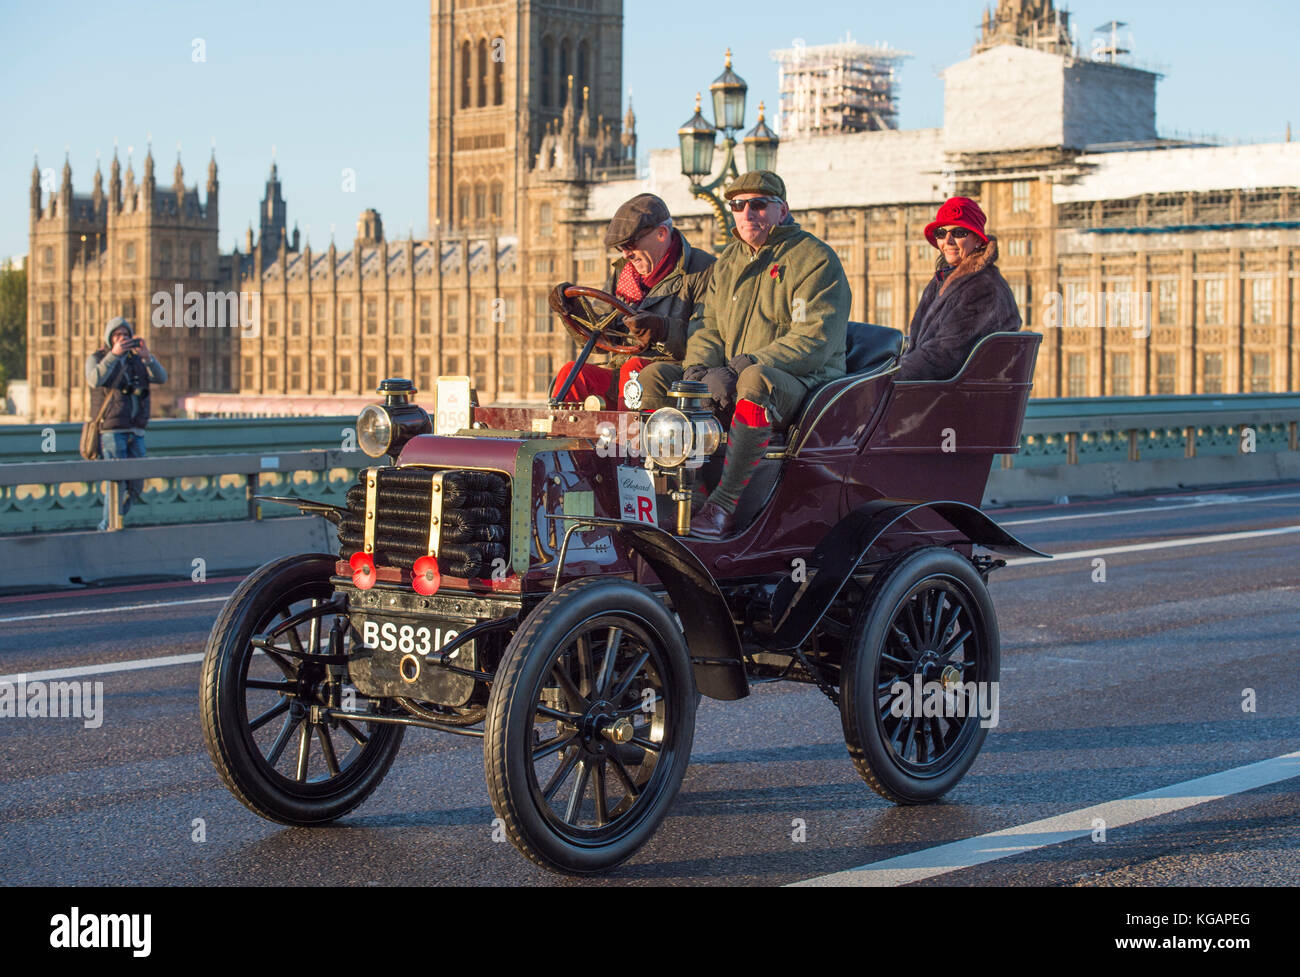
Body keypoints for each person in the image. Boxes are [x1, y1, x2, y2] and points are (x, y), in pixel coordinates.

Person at [637, 170, 851, 538]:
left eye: (758, 205)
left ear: (782, 211)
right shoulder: (729, 262)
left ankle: (724, 506)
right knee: (656, 376)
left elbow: (814, 338)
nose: (747, 213)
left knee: (756, 380)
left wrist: (743, 365)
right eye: (737, 205)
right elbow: (708, 325)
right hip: (734, 374)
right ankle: (679, 496)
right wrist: (698, 370)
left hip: (803, 382)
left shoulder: (815, 259)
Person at [549, 193, 713, 409]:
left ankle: (628, 439)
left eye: (630, 245)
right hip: (624, 371)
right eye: (620, 248)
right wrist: (572, 311)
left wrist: (663, 330)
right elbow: (600, 340)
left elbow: (709, 340)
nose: (625, 254)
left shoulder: (703, 270)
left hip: (674, 376)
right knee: (573, 373)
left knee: (634, 370)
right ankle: (562, 439)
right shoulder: (625, 274)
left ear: (661, 234)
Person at [898, 196, 1021, 381]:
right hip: (939, 391)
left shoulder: (983, 288)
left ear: (978, 239)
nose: (947, 241)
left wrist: (886, 376)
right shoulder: (943, 280)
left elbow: (944, 355)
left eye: (959, 232)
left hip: (960, 399)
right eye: (941, 233)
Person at [85, 317, 167, 531]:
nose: (122, 338)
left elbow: (162, 377)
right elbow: (94, 379)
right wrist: (114, 354)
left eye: (125, 335)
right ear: (109, 338)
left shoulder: (136, 360)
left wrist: (148, 357)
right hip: (112, 430)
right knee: (116, 483)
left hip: (136, 429)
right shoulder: (98, 358)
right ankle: (108, 526)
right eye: (117, 335)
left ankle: (116, 519)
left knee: (137, 483)